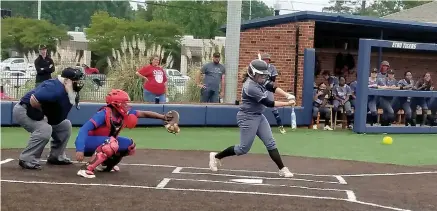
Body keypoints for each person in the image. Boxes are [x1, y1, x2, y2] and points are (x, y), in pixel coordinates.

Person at [208, 59, 295, 178]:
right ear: (253, 73)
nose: (263, 77)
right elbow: (269, 103)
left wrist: (287, 95)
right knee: (243, 149)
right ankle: (216, 156)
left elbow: (272, 86)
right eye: (261, 74)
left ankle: (282, 169)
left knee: (270, 143)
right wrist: (288, 104)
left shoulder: (259, 79)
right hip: (247, 117)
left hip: (259, 116)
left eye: (264, 74)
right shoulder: (250, 87)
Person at [75, 89, 180, 178]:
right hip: (88, 143)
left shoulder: (123, 114)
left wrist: (163, 117)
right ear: (116, 103)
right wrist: (80, 149)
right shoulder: (103, 114)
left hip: (105, 142)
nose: (126, 105)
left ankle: (106, 165)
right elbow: (84, 130)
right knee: (111, 143)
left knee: (129, 145)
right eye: (124, 103)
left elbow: (144, 113)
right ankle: (86, 168)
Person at [12, 67, 84, 170]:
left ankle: (56, 156)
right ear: (67, 81)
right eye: (76, 80)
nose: (78, 82)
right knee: (45, 129)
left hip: (40, 113)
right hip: (24, 110)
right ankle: (27, 159)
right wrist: (42, 115)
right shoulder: (54, 88)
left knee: (65, 126)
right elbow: (33, 99)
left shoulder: (69, 89)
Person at [261, 53, 286, 134]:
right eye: (264, 59)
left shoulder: (272, 68)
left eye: (267, 59)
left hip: (268, 88)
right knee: (258, 106)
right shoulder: (259, 67)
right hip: (259, 88)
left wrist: (267, 75)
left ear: (269, 60)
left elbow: (273, 80)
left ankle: (280, 126)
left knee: (273, 107)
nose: (265, 61)